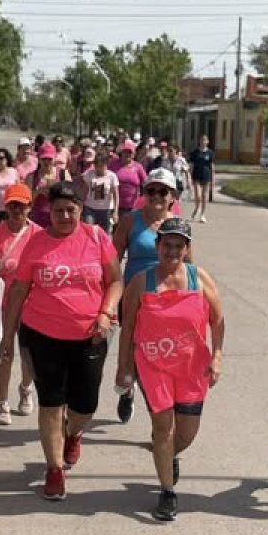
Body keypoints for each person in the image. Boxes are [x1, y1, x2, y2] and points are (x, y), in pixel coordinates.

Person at [0, 182, 123, 501]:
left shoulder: (97, 238)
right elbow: (18, 291)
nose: (65, 216)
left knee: (85, 405)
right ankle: (54, 469)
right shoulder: (37, 243)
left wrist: (107, 312)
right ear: (48, 212)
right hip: (42, 336)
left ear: (81, 210)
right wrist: (8, 335)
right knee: (51, 403)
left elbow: (116, 282)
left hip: (90, 336)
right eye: (58, 211)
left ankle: (75, 431)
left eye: (71, 210)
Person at [117, 218, 224, 521]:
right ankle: (167, 491)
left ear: (187, 248)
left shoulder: (199, 279)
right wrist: (124, 366)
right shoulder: (141, 280)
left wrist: (217, 355)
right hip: (153, 366)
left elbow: (218, 320)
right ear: (158, 246)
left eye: (179, 246)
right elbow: (127, 328)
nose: (172, 251)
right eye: (167, 245)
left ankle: (169, 455)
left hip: (192, 367)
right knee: (163, 429)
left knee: (186, 433)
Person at [112, 167, 179, 424]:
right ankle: (128, 387)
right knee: (132, 344)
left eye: (163, 191)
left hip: (166, 302)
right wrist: (110, 293)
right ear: (144, 193)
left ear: (172, 196)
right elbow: (113, 261)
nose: (156, 196)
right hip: (133, 297)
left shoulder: (176, 225)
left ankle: (158, 414)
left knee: (159, 356)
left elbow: (190, 267)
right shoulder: (130, 221)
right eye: (151, 190)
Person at [0, 183, 42, 425]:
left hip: (32, 303)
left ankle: (26, 388)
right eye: (12, 205)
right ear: (5, 206)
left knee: (29, 354)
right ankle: (2, 401)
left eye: (22, 205)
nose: (17, 210)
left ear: (30, 206)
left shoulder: (39, 233)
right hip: (3, 304)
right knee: (4, 353)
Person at [27, 142, 70, 228]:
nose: (47, 162)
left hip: (59, 217)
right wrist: (38, 192)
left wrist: (58, 190)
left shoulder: (63, 174)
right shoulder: (31, 176)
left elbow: (71, 196)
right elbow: (27, 201)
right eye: (44, 159)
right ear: (39, 159)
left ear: (54, 158)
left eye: (49, 159)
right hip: (37, 218)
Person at [81, 151, 119, 233]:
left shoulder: (112, 176)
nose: (98, 168)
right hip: (90, 208)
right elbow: (84, 191)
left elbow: (116, 195)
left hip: (105, 210)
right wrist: (80, 205)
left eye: (101, 165)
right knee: (89, 231)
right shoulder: (89, 174)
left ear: (106, 164)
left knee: (104, 233)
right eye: (96, 165)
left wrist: (115, 212)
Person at [109, 140, 147, 218]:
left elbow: (146, 183)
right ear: (121, 152)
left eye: (130, 152)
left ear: (133, 154)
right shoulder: (113, 165)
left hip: (134, 206)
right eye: (125, 152)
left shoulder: (138, 167)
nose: (127, 154)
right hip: (116, 206)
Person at [188, 135, 215, 223]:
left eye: (205, 140)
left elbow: (212, 166)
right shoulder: (195, 152)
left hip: (206, 176)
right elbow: (191, 165)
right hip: (196, 176)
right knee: (198, 196)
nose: (203, 141)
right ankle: (196, 208)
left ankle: (202, 215)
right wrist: (189, 176)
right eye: (202, 140)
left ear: (207, 142)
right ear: (199, 141)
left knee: (204, 196)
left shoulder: (210, 153)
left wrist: (213, 178)